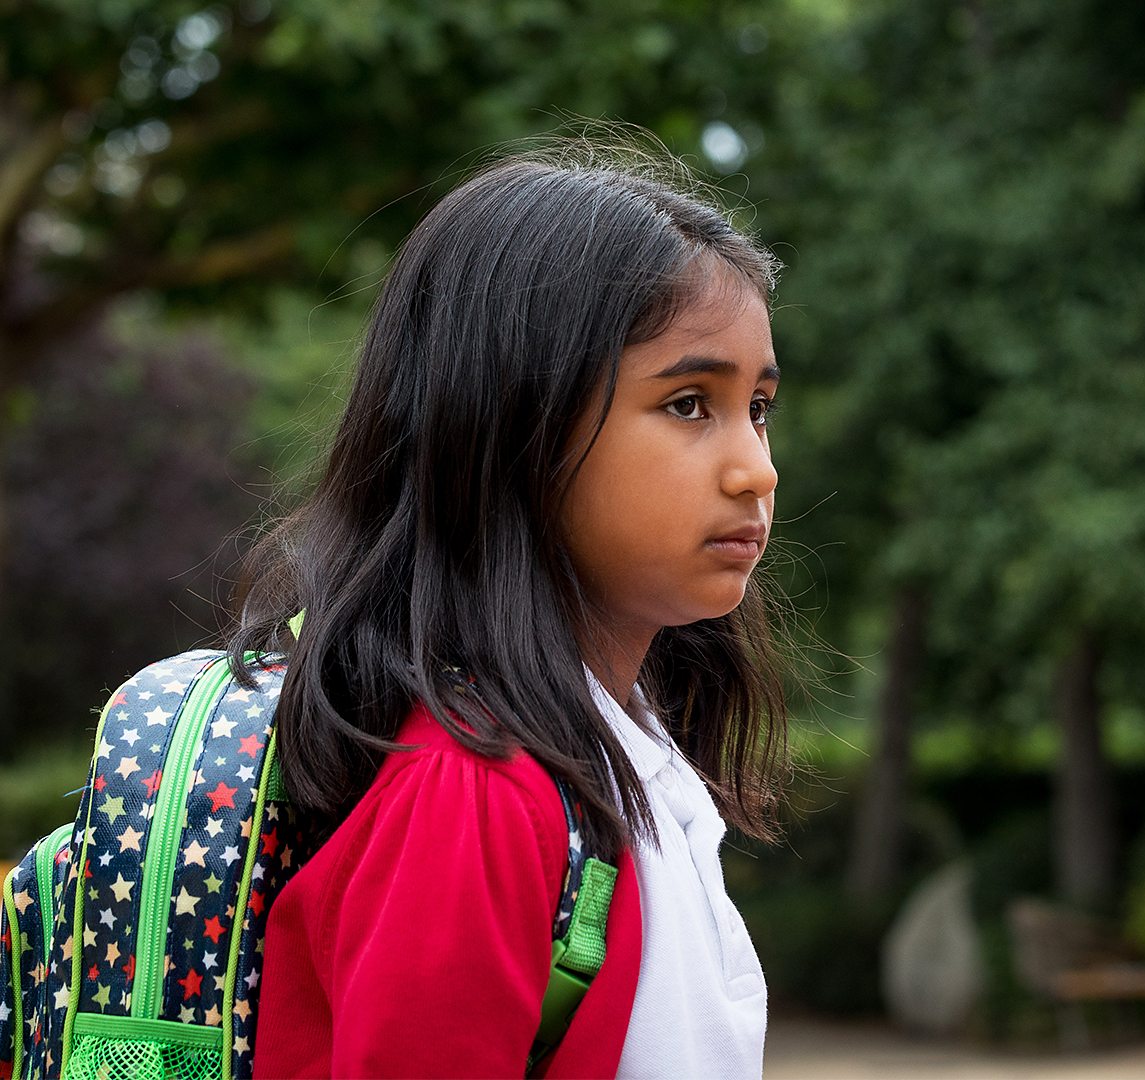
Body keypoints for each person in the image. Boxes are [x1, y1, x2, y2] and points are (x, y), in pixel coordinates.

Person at [234, 147, 789, 1078]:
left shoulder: (619, 754)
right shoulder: (472, 792)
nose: (756, 470)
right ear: (513, 423)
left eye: (759, 407)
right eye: (690, 403)